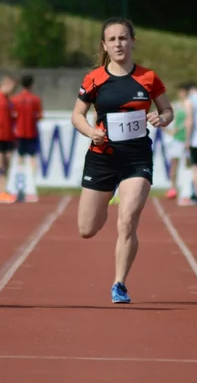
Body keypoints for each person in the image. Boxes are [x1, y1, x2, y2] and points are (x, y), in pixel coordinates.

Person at [71, 17, 173, 304]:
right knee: (86, 229)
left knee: (127, 220)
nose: (118, 43)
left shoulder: (148, 78)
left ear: (132, 42)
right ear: (104, 45)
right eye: (112, 39)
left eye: (123, 38)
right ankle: (105, 199)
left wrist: (161, 117)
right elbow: (76, 115)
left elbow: (167, 110)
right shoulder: (94, 79)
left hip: (136, 159)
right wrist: (91, 132)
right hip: (102, 158)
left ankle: (119, 284)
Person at [11, 74, 43, 201]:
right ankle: (31, 186)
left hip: (19, 134)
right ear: (32, 84)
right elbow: (40, 116)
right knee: (33, 160)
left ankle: (19, 186)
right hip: (31, 133)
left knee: (19, 160)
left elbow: (12, 116)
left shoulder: (15, 99)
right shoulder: (35, 99)